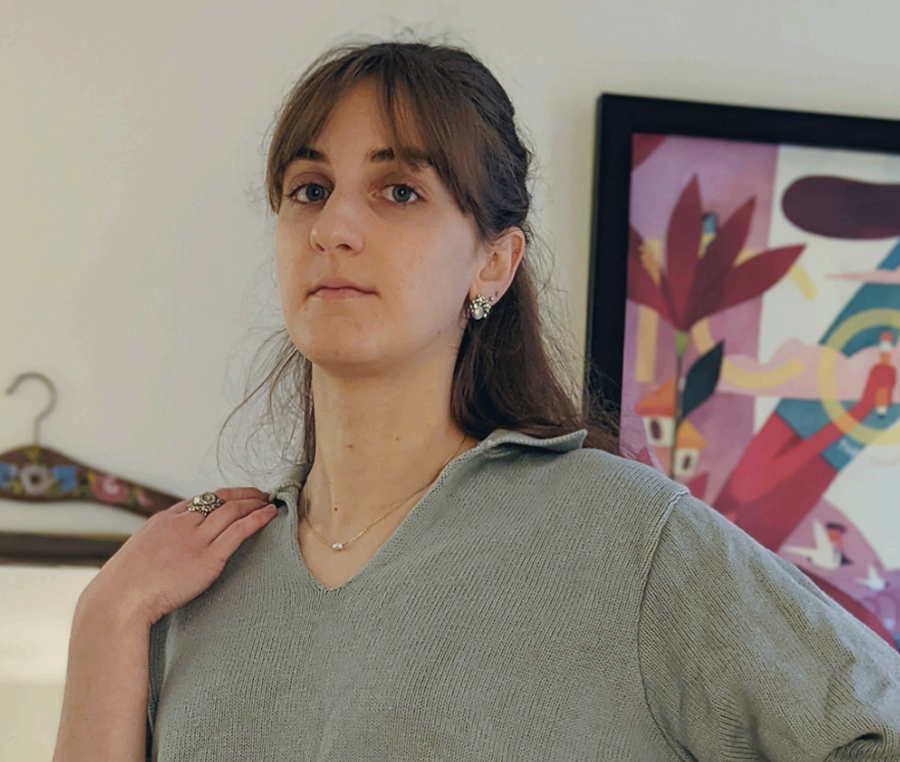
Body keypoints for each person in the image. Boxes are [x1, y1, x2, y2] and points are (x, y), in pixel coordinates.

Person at [54, 40, 900, 761]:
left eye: (399, 191)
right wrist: (106, 617)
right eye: (309, 189)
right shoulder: (190, 584)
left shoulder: (624, 536)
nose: (333, 227)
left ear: (494, 263)